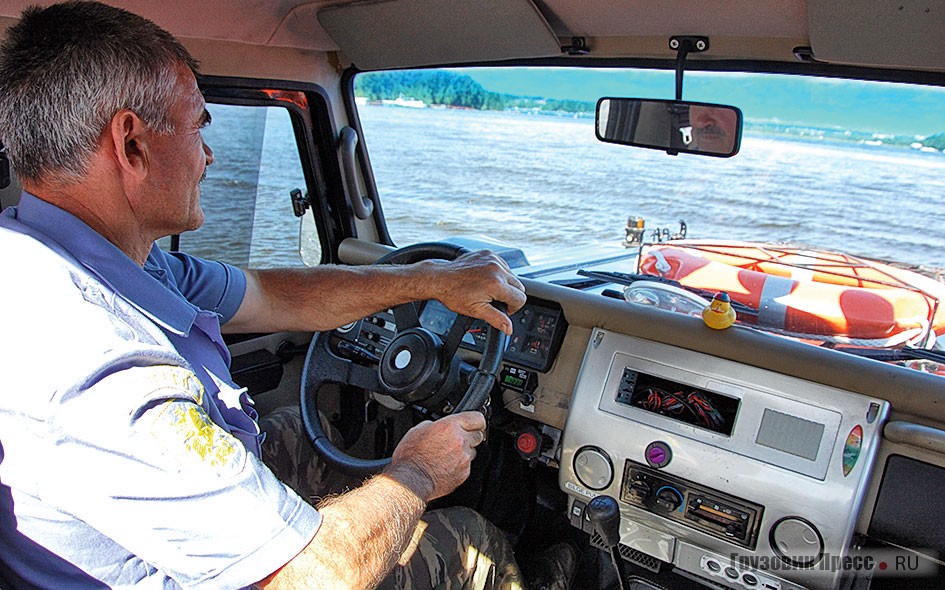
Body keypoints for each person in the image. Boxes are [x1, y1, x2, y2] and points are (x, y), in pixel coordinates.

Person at [0, 2, 575, 588]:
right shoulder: (107, 372)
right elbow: (309, 577)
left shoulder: (75, 261)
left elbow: (271, 294)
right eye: (199, 125)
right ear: (132, 146)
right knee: (471, 541)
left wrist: (433, 278)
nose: (209, 156)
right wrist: (418, 473)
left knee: (310, 436)